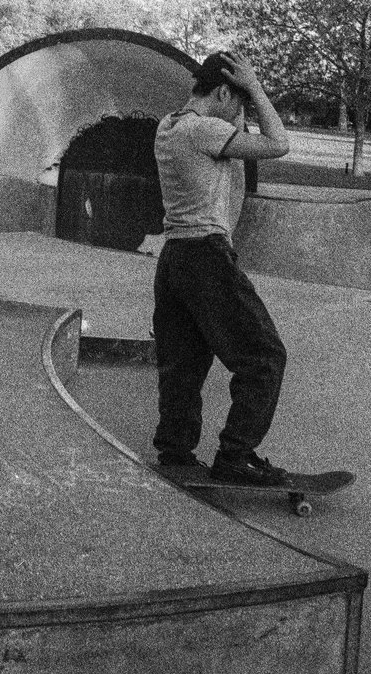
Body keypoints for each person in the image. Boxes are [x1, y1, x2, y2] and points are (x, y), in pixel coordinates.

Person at [151, 49, 296, 487]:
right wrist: (255, 88)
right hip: (206, 257)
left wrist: (237, 100)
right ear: (222, 91)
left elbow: (232, 146)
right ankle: (237, 455)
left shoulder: (169, 126)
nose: (241, 114)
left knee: (185, 363)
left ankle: (175, 450)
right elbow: (279, 144)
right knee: (264, 358)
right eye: (238, 103)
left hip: (174, 257)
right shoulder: (206, 131)